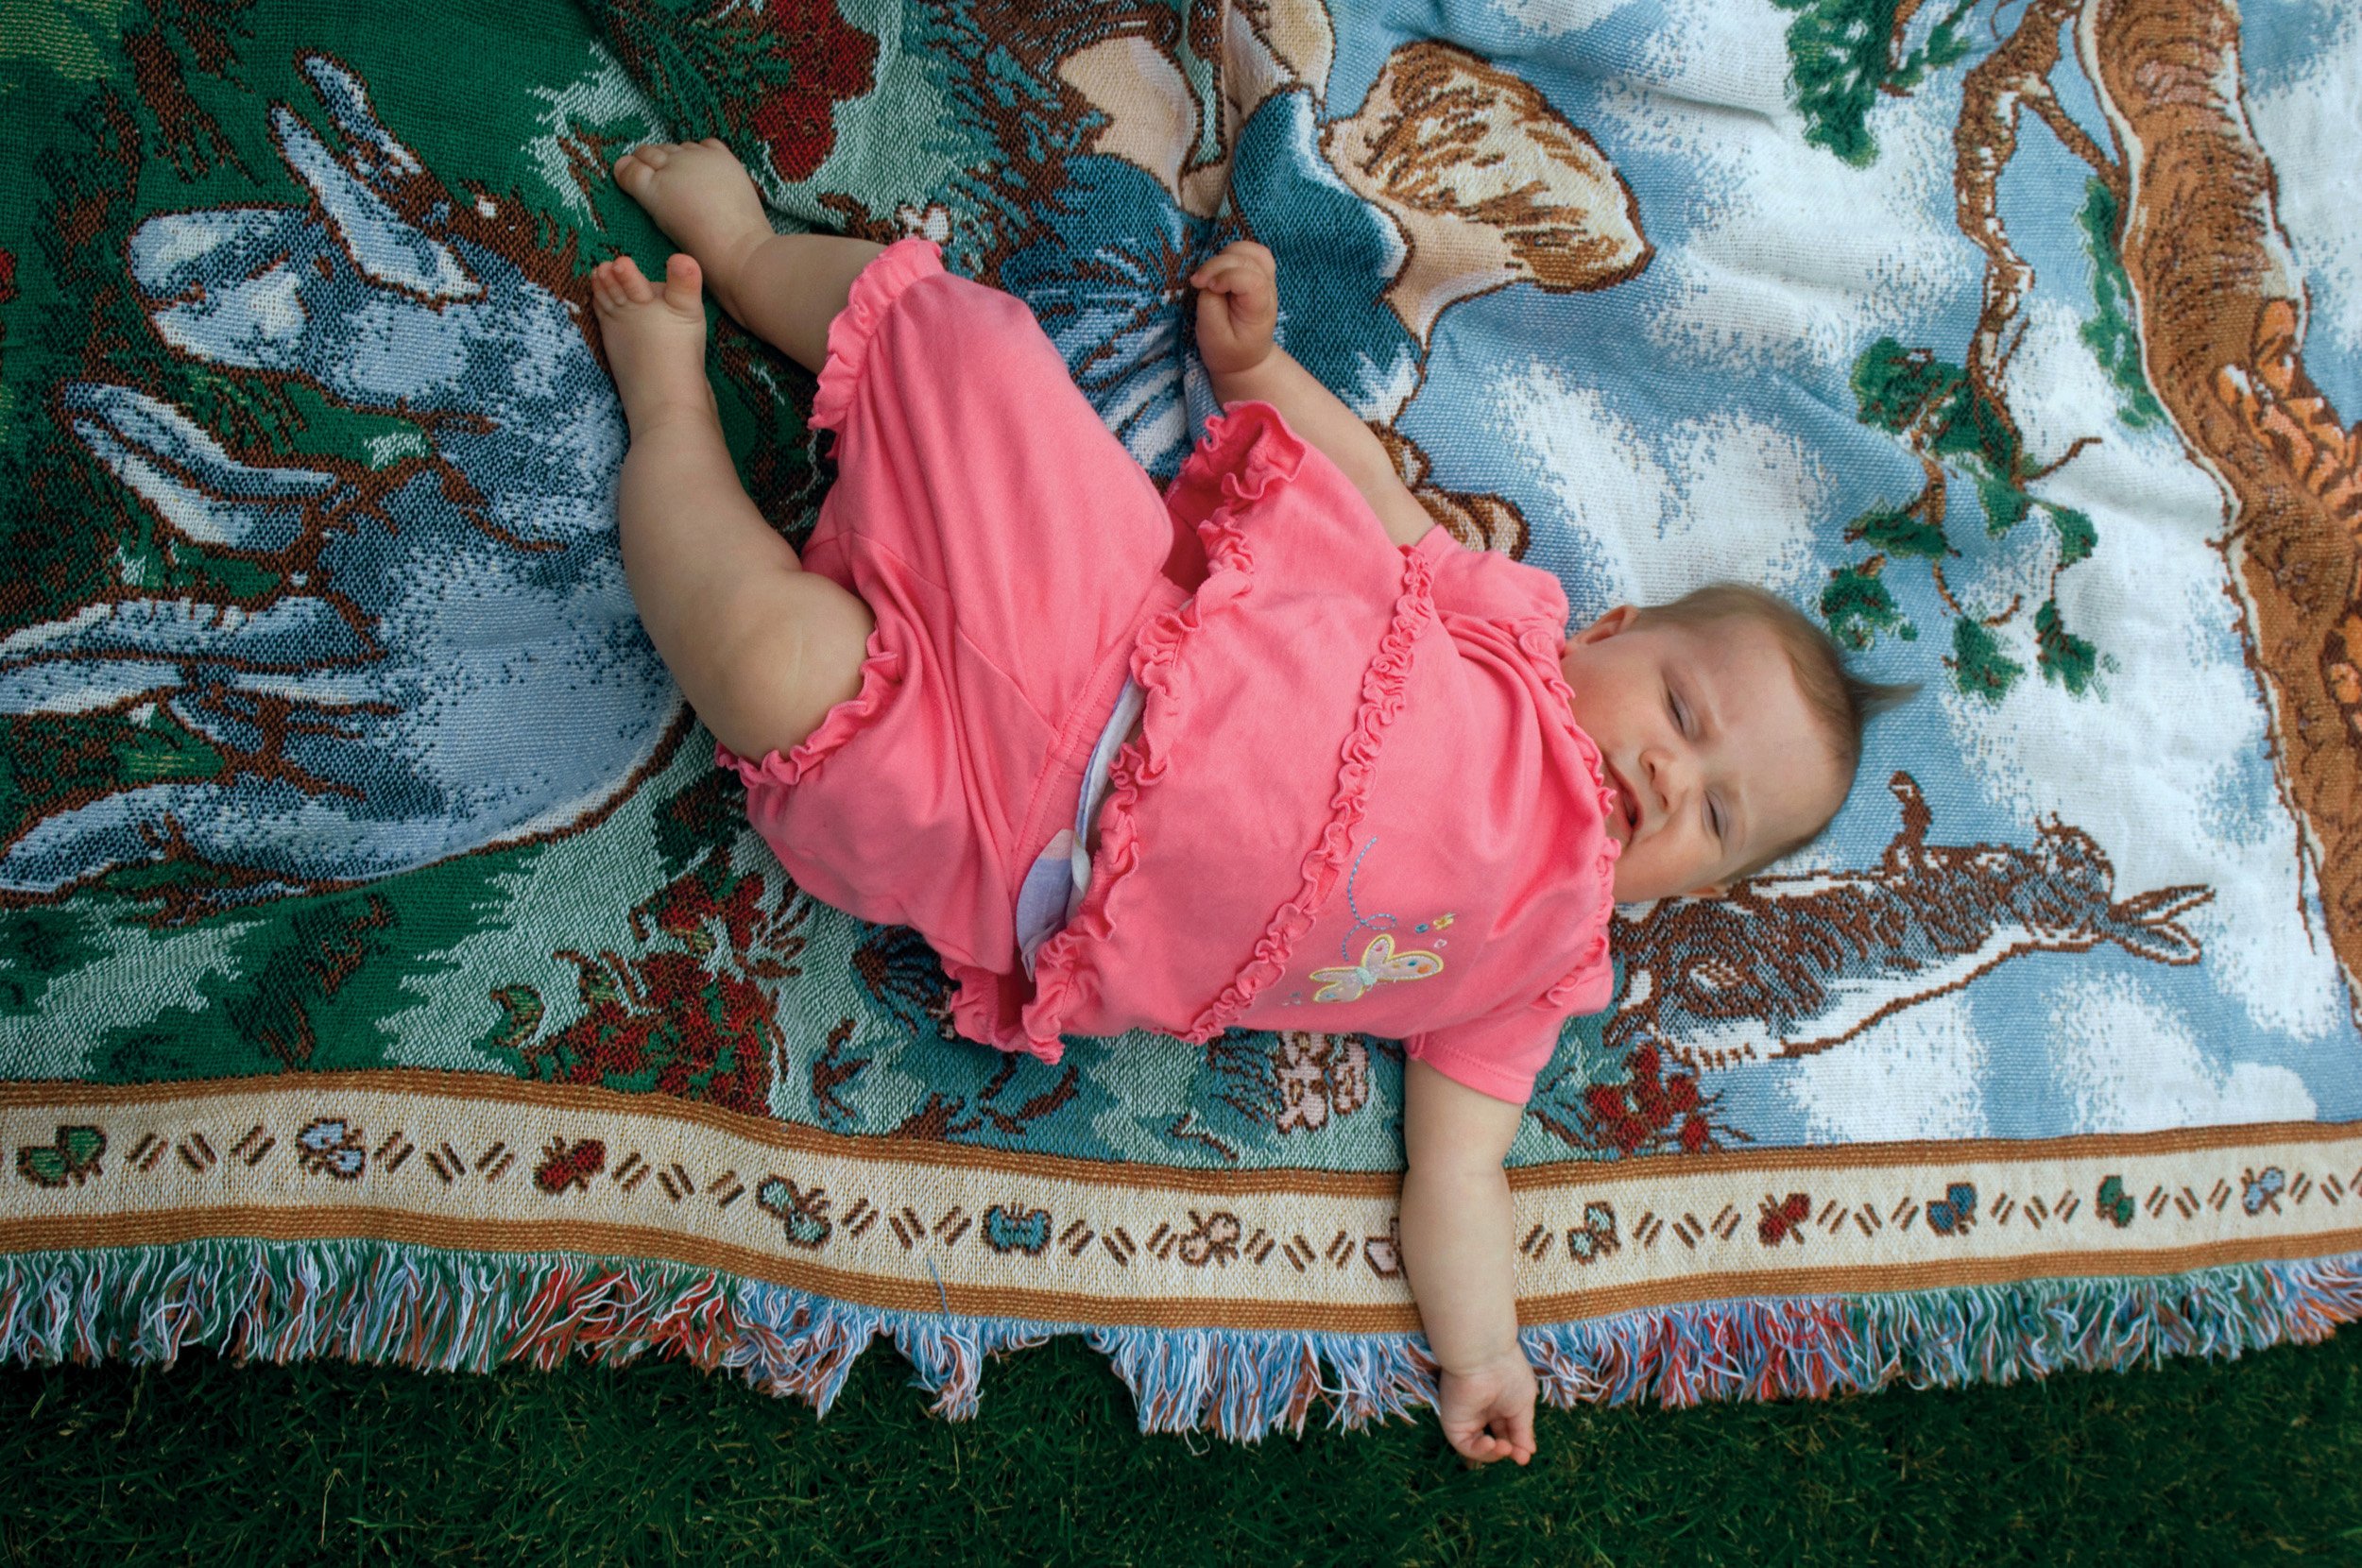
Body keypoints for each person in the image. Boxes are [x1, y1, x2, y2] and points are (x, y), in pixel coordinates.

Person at [591, 140, 1909, 1466]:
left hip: (1010, 857)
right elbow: (1376, 497)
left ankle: (673, 419)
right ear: (1609, 632)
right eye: (1681, 713)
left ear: (1687, 892)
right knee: (966, 339)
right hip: (1092, 612)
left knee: (766, 667)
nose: (1672, 778)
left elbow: (1456, 1176)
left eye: (1717, 820)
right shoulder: (1511, 627)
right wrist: (1255, 369)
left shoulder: (1540, 972)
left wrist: (1485, 1350)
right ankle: (757, 259)